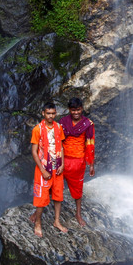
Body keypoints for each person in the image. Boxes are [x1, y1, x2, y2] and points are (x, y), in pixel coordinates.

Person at [29, 102, 66, 237]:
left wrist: (62, 164)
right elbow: (34, 151)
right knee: (41, 198)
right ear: (43, 113)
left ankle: (56, 221)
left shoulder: (58, 127)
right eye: (48, 113)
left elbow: (61, 146)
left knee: (58, 195)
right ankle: (38, 223)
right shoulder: (37, 129)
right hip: (43, 169)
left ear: (56, 113)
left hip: (57, 168)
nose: (51, 116)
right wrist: (42, 170)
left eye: (53, 113)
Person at [59, 97, 95, 227]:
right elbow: (58, 142)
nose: (76, 113)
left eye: (78, 110)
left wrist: (91, 164)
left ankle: (78, 214)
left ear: (82, 109)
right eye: (73, 110)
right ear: (69, 110)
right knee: (52, 184)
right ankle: (39, 210)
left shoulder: (88, 124)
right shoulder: (63, 122)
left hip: (78, 161)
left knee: (77, 189)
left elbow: (90, 144)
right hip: (62, 160)